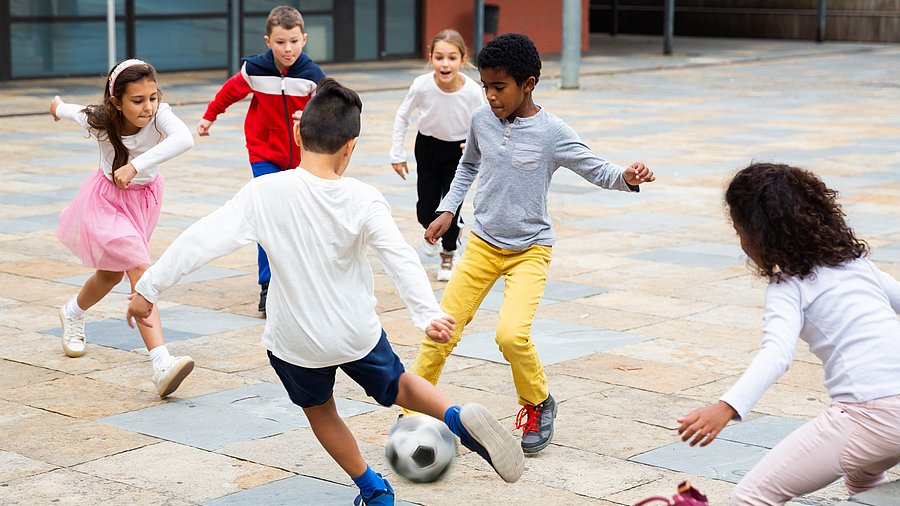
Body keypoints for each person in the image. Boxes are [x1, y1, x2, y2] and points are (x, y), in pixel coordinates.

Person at [127, 78, 524, 506]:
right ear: (350, 146)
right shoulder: (363, 197)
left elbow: (199, 240)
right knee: (400, 386)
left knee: (321, 411)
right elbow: (398, 257)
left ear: (298, 133)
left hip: (296, 341)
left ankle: (374, 491)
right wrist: (425, 314)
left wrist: (148, 288)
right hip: (355, 331)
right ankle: (454, 417)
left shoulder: (263, 193)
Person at [407, 33, 656, 454]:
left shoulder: (552, 132)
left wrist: (626, 177)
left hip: (529, 250)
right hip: (483, 244)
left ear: (529, 83)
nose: (489, 96)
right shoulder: (481, 120)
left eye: (499, 87)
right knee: (440, 330)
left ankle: (537, 403)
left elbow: (593, 167)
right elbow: (467, 168)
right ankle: (412, 413)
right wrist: (448, 210)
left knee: (511, 336)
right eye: (485, 86)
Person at [676, 163, 900, 505]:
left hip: (872, 414)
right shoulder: (858, 265)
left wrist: (726, 407)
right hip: (888, 420)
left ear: (760, 234)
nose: (741, 242)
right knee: (866, 477)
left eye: (740, 231)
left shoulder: (790, 286)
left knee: (752, 496)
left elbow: (776, 354)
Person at [50, 59, 195, 398]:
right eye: (138, 100)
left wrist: (137, 166)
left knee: (109, 276)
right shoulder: (100, 120)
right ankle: (161, 362)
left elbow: (185, 139)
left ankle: (71, 312)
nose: (148, 107)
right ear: (116, 101)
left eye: (153, 97)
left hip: (143, 201)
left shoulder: (161, 115)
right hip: (106, 202)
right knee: (140, 271)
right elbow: (70, 111)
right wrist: (56, 107)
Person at [196, 5, 324, 314]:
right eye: (280, 42)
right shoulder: (255, 69)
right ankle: (267, 286)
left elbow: (334, 109)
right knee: (269, 218)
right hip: (264, 153)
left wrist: (309, 117)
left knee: (301, 219)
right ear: (268, 41)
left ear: (304, 39)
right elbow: (229, 91)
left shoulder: (313, 76)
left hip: (302, 158)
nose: (288, 48)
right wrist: (209, 117)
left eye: (293, 41)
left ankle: (301, 282)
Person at [390, 28, 485, 281]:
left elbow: (485, 123)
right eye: (439, 57)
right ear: (430, 57)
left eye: (452, 58)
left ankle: (449, 252)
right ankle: (434, 228)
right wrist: (396, 153)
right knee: (426, 210)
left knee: (448, 208)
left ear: (462, 60)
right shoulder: (421, 86)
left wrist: (477, 146)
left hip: (459, 153)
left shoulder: (473, 91)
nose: (445, 64)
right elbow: (403, 116)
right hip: (428, 148)